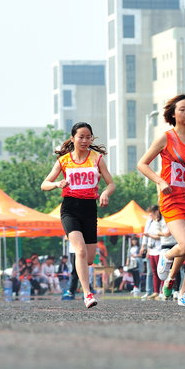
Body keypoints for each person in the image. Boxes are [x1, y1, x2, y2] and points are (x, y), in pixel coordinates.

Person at [138, 94, 185, 308]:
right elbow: (142, 164)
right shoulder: (166, 137)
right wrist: (161, 182)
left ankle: (184, 293)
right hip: (171, 198)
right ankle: (168, 254)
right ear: (173, 114)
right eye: (182, 109)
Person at [41, 122, 115, 308]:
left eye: (88, 137)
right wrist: (57, 184)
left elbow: (111, 183)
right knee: (80, 250)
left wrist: (105, 193)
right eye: (80, 137)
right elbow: (44, 184)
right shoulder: (64, 161)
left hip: (90, 209)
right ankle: (87, 293)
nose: (84, 140)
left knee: (89, 258)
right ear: (72, 139)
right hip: (70, 209)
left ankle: (83, 279)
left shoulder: (97, 159)